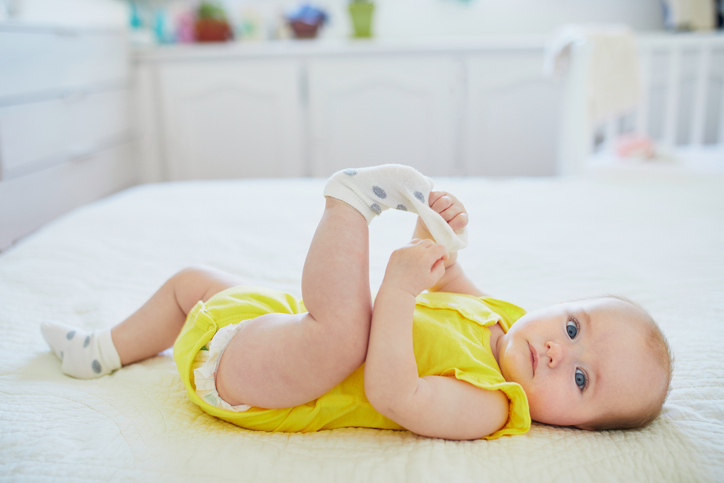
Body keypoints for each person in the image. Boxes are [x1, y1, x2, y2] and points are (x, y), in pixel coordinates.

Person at [40, 165, 673, 440]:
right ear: (557, 306)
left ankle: (349, 199)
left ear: (577, 426)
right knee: (193, 283)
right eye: (571, 326)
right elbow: (446, 278)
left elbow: (395, 393)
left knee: (346, 332)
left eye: (583, 377)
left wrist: (398, 290)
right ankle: (105, 350)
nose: (559, 353)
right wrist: (438, 234)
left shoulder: (493, 404)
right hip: (282, 326)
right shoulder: (502, 319)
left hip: (281, 381)